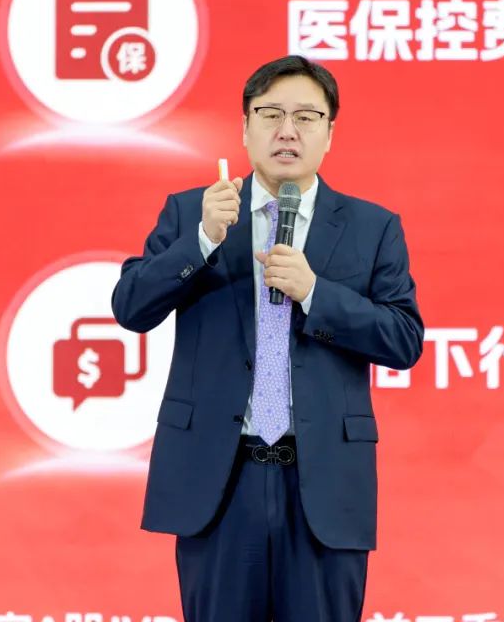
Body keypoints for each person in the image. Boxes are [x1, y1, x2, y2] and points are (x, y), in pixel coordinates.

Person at [112, 55, 424, 621]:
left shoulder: (372, 227)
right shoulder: (194, 213)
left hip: (322, 483)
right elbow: (130, 308)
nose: (287, 130)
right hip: (220, 482)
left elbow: (403, 339)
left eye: (306, 116)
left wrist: (316, 293)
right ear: (244, 127)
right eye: (271, 114)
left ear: (330, 133)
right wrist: (202, 240)